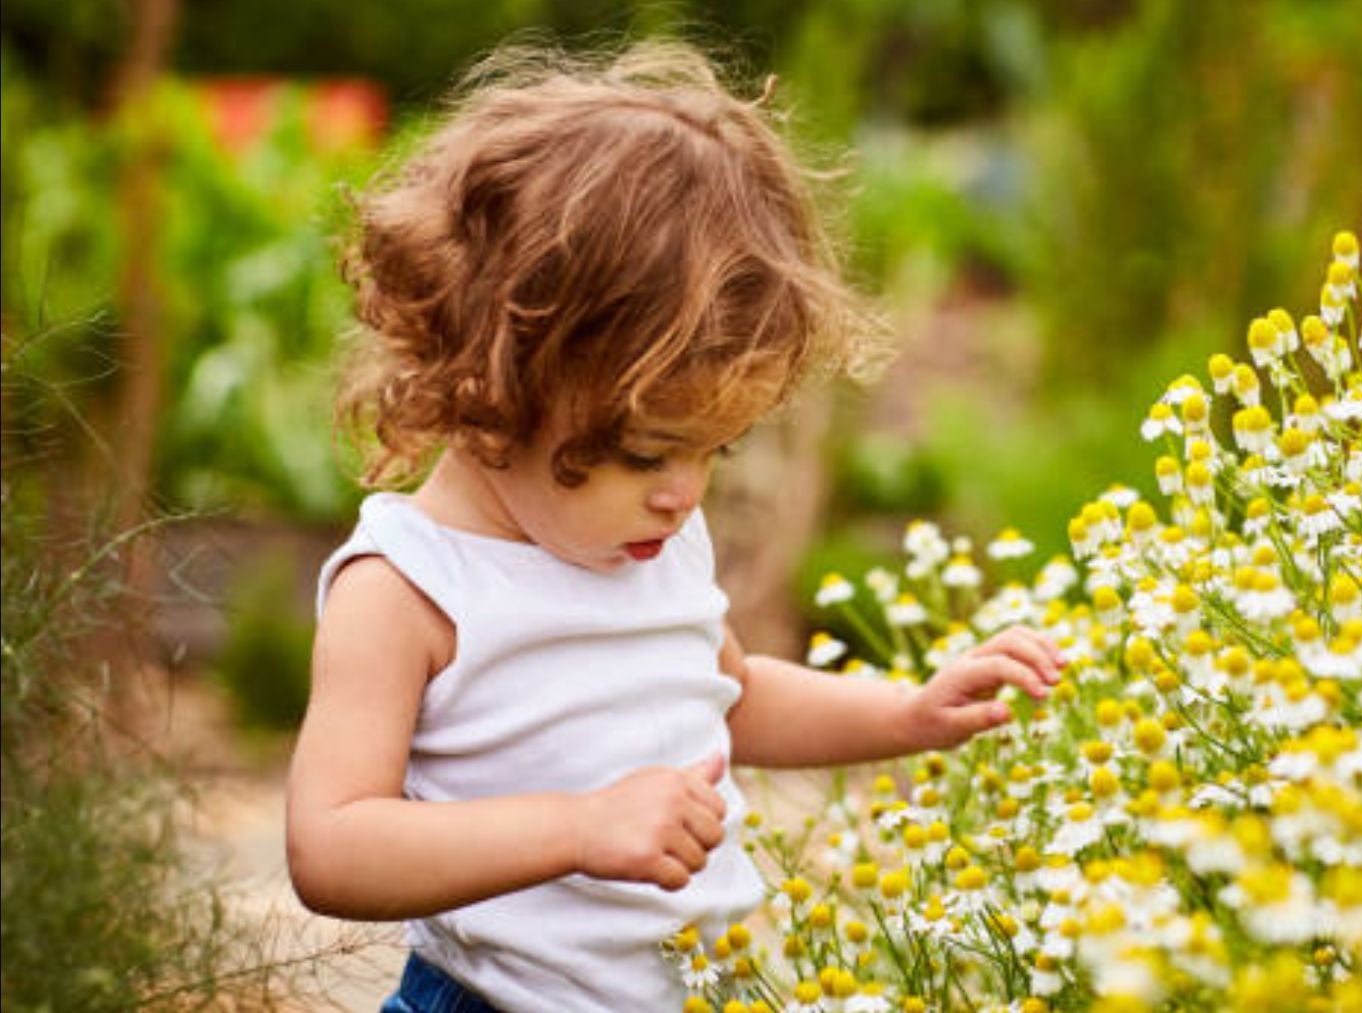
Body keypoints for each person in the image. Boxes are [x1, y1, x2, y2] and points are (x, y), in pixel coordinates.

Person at [285, 41, 1064, 1013]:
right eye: (649, 452)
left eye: (714, 451)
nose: (683, 493)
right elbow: (333, 843)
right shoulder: (407, 588)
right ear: (495, 382)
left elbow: (728, 697)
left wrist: (904, 714)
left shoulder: (647, 538)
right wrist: (578, 827)